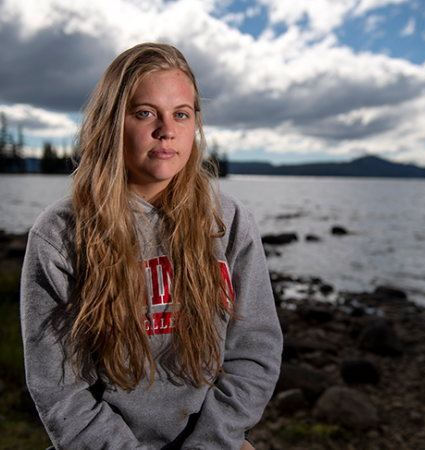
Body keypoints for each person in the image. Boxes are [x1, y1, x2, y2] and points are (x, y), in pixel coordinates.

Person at [20, 42, 283, 450]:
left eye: (181, 114)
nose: (167, 129)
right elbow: (59, 388)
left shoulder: (228, 222)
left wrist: (214, 441)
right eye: (145, 113)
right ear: (112, 121)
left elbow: (255, 351)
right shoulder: (59, 234)